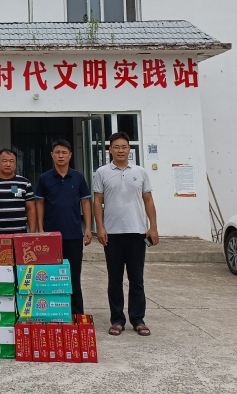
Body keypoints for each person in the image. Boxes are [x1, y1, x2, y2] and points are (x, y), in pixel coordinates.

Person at [93, 131, 159, 337]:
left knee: (136, 279)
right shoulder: (101, 172)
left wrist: (153, 227)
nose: (120, 150)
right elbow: (97, 201)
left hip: (137, 232)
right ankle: (117, 320)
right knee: (114, 279)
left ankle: (138, 319)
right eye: (116, 147)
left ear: (129, 149)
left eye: (124, 147)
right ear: (110, 150)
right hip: (112, 233)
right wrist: (100, 227)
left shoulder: (140, 172)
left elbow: (148, 200)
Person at [34, 139, 92, 316]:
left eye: (64, 153)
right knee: (50, 276)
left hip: (74, 234)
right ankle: (54, 312)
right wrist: (40, 229)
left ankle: (76, 314)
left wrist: (88, 228)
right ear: (52, 155)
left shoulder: (78, 177)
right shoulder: (44, 178)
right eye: (57, 152)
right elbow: (39, 204)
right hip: (50, 236)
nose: (61, 156)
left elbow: (85, 202)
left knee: (73, 276)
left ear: (70, 155)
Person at [0, 148, 36, 234]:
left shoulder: (24, 183)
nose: (8, 164)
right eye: (4, 161)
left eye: (11, 161)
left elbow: (31, 209)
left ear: (15, 163)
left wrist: (32, 233)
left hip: (20, 234)